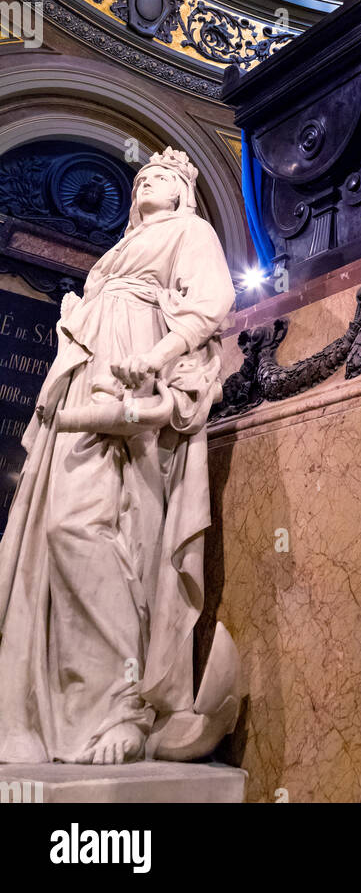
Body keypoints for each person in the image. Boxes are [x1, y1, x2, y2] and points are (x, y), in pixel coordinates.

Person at [0, 147, 236, 764]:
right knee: (57, 530)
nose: (148, 182)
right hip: (85, 377)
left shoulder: (192, 231)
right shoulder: (114, 255)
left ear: (184, 194)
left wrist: (156, 361)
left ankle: (124, 705)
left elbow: (210, 303)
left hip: (135, 378)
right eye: (143, 178)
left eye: (162, 176)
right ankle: (54, 705)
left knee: (96, 528)